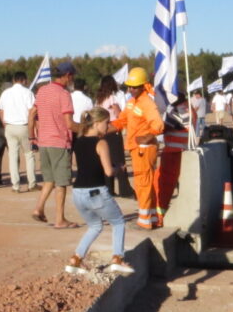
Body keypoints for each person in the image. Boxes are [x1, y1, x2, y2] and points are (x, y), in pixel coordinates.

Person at [64, 109, 133, 276]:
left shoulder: (78, 141)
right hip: (96, 192)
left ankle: (76, 259)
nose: (108, 126)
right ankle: (117, 258)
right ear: (96, 123)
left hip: (78, 192)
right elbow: (108, 171)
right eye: (106, 123)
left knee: (95, 226)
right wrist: (119, 168)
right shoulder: (101, 143)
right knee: (118, 222)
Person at [114, 66, 164, 231]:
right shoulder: (131, 103)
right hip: (137, 149)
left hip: (145, 148)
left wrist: (147, 137)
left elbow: (158, 125)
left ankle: (145, 221)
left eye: (134, 86)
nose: (130, 89)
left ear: (143, 85)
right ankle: (153, 218)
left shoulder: (147, 103)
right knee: (144, 183)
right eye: (129, 86)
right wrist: (101, 129)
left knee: (143, 183)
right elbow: (121, 122)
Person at [31, 60, 77, 228]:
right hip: (59, 141)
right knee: (62, 182)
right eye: (71, 77)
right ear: (67, 76)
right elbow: (69, 123)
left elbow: (33, 113)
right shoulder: (64, 94)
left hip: (44, 140)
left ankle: (38, 208)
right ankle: (60, 219)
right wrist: (85, 129)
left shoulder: (42, 90)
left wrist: (32, 136)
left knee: (49, 179)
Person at [0, 71, 37, 192]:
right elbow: (32, 111)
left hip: (10, 126)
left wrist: (5, 124)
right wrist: (33, 128)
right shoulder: (28, 92)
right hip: (24, 126)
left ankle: (15, 185)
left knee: (12, 156)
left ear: (14, 80)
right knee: (29, 155)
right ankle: (31, 183)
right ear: (24, 80)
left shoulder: (5, 93)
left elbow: (0, 110)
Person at [95, 74, 131, 199]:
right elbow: (119, 114)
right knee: (119, 160)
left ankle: (109, 188)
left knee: (107, 160)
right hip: (114, 130)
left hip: (102, 132)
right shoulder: (112, 99)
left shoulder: (99, 100)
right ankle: (124, 189)